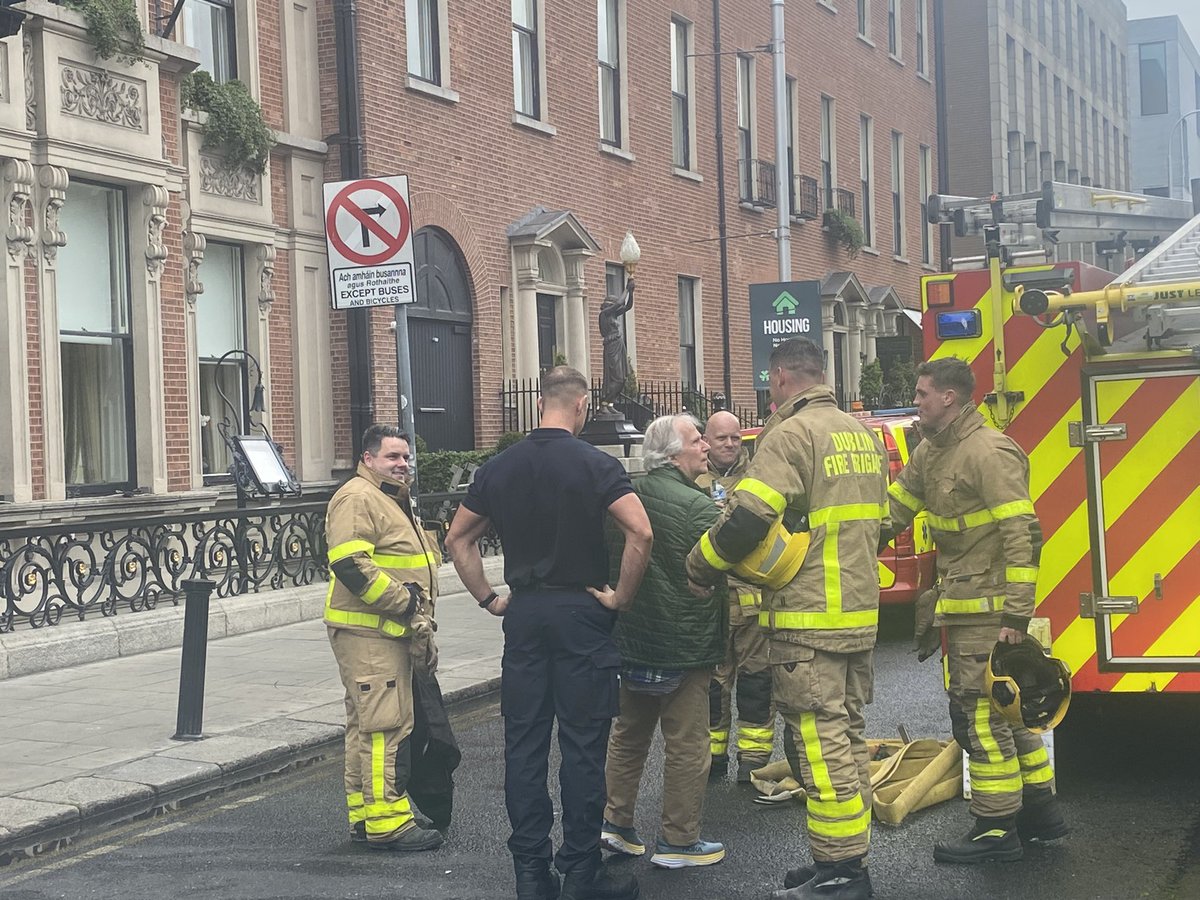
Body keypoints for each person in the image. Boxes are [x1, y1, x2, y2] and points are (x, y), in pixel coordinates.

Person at [685, 338, 888, 900]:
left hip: (808, 620)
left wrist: (701, 564)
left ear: (778, 378)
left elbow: (749, 515)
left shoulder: (790, 434)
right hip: (856, 614)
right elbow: (885, 522)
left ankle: (845, 872)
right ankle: (838, 862)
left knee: (820, 750)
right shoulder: (862, 435)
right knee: (845, 737)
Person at [445, 366, 653, 900]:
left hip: (526, 615)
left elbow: (458, 540)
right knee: (583, 748)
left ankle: (532, 876)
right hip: (582, 612)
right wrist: (622, 598)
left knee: (526, 745)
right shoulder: (595, 464)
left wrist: (490, 598)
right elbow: (641, 531)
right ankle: (582, 873)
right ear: (582, 405)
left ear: (540, 403)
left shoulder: (500, 467)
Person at [885, 357, 1066, 864]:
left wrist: (1015, 618)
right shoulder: (931, 452)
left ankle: (994, 830)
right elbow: (893, 510)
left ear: (949, 397)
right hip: (962, 610)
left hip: (990, 616)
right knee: (1009, 718)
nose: (915, 401)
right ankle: (1040, 814)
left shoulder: (988, 452)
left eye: (922, 394)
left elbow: (1022, 535)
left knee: (981, 719)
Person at [600, 415, 727, 870]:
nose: (706, 447)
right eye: (697, 441)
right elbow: (724, 563)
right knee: (687, 744)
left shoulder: (623, 497)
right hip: (684, 641)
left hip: (632, 638)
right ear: (674, 453)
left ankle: (615, 825)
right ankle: (678, 841)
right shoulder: (701, 509)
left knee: (628, 736)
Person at [324, 425, 444, 851]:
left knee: (365, 726)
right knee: (384, 728)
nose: (402, 464)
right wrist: (405, 602)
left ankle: (364, 814)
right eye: (393, 457)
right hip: (372, 632)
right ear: (368, 458)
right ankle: (388, 823)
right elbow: (350, 564)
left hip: (385, 632)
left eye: (406, 457)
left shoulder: (388, 496)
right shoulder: (359, 497)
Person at [696, 410, 775, 783]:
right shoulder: (693, 480)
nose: (729, 444)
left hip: (752, 600)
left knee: (757, 681)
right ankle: (712, 758)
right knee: (712, 684)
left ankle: (753, 759)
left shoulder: (757, 478)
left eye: (735, 437)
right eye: (721, 438)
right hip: (710, 601)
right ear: (706, 441)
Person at [598, 279, 634, 407]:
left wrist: (632, 292)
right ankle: (604, 403)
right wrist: (626, 289)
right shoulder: (604, 314)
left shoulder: (613, 315)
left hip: (618, 343)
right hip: (611, 345)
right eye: (612, 305)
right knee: (617, 377)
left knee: (623, 378)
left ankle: (609, 403)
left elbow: (628, 306)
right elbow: (620, 302)